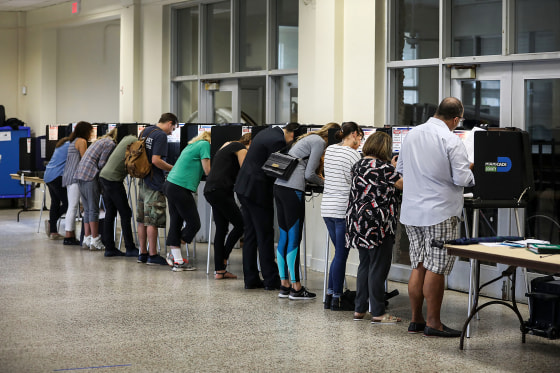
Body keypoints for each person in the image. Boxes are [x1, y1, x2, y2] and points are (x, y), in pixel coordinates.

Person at [396, 97, 475, 337]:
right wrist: (472, 171)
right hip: (440, 212)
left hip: (411, 211)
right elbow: (462, 180)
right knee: (437, 267)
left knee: (418, 263)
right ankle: (434, 323)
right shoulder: (451, 139)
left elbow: (401, 171)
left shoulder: (411, 135)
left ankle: (416, 320)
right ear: (455, 119)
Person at [274, 122, 341, 300]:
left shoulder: (307, 138)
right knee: (295, 237)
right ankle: (296, 287)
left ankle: (284, 285)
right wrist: (328, 182)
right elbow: (309, 174)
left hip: (279, 187)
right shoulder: (319, 142)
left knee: (284, 236)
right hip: (292, 189)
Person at [234, 123, 300, 290]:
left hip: (244, 187)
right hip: (257, 191)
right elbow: (276, 169)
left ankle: (250, 279)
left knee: (250, 234)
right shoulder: (278, 141)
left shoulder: (267, 132)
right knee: (265, 234)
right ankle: (271, 280)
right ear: (292, 135)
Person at [346, 132, 403, 323]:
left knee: (365, 264)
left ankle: (359, 309)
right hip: (378, 224)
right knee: (378, 267)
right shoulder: (385, 167)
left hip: (358, 221)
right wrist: (397, 169)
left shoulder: (358, 165)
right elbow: (403, 185)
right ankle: (378, 312)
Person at [321, 121, 363, 310]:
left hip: (327, 209)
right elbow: (354, 180)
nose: (361, 142)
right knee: (341, 254)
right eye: (360, 137)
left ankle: (330, 296)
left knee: (338, 253)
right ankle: (336, 297)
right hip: (341, 209)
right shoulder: (353, 155)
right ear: (354, 134)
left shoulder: (330, 149)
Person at [203, 133, 251, 280]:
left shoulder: (227, 145)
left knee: (222, 229)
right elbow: (245, 171)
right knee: (240, 225)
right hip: (221, 191)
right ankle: (223, 258)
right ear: (249, 142)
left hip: (211, 190)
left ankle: (220, 271)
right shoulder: (241, 148)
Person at [163, 130, 211, 271]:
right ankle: (174, 253)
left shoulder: (191, 145)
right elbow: (207, 170)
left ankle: (177, 260)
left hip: (170, 184)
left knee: (176, 221)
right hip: (179, 186)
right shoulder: (205, 144)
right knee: (194, 223)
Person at [136, 113, 178, 266]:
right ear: (169, 123)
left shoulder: (145, 131)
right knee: (152, 220)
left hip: (143, 179)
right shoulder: (160, 135)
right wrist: (173, 168)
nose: (171, 132)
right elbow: (156, 160)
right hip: (154, 181)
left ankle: (143, 253)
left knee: (142, 219)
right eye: (173, 128)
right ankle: (153, 255)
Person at [75, 128, 118, 251]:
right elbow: (101, 164)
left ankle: (87, 238)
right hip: (90, 175)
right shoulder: (110, 144)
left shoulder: (101, 141)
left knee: (87, 209)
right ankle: (95, 240)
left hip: (80, 174)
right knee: (94, 209)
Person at [98, 131, 140, 257]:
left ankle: (109, 248)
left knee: (110, 213)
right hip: (113, 180)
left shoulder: (127, 138)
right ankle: (130, 248)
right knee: (126, 213)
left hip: (104, 176)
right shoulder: (137, 143)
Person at [62, 121, 94, 246]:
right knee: (73, 206)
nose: (92, 134)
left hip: (69, 176)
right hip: (75, 177)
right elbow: (85, 159)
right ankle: (69, 236)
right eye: (91, 131)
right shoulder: (82, 141)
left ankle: (70, 234)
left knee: (73, 206)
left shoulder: (73, 141)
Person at [44, 137, 70, 240]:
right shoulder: (71, 145)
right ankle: (52, 222)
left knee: (55, 202)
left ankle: (53, 231)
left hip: (48, 175)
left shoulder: (62, 144)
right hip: (56, 177)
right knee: (68, 203)